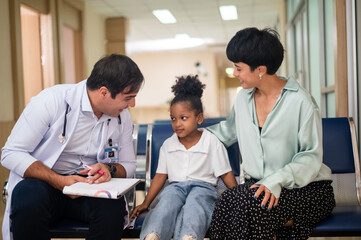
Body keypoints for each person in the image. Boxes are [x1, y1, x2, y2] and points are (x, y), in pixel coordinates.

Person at [207, 27, 335, 240]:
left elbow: (310, 157)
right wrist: (190, 136)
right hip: (256, 188)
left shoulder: (301, 102)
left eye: (238, 68)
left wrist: (275, 180)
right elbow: (226, 131)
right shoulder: (242, 99)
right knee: (228, 201)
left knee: (252, 210)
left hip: (305, 189)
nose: (234, 73)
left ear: (260, 69)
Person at [1, 54, 144, 240]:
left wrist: (109, 168)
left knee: (112, 208)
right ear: (103, 92)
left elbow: (129, 165)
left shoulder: (121, 116)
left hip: (89, 187)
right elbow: (11, 153)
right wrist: (58, 180)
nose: (132, 104)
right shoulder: (51, 101)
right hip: (44, 185)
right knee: (27, 197)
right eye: (129, 97)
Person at [130, 75, 237, 240]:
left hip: (204, 188)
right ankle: (153, 235)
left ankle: (189, 236)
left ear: (199, 118)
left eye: (183, 118)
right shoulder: (168, 145)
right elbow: (160, 176)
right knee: (166, 203)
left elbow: (226, 173)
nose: (177, 123)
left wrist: (237, 199)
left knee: (197, 206)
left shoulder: (211, 142)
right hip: (175, 187)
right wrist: (146, 203)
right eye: (173, 118)